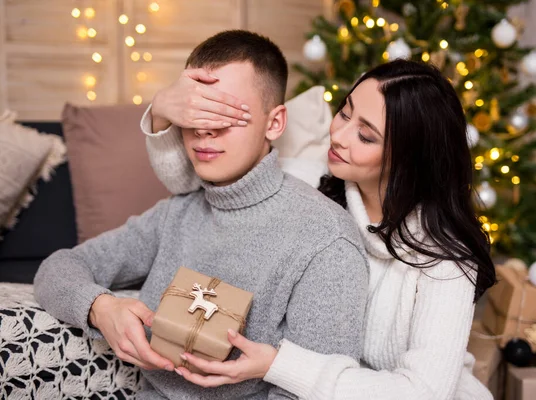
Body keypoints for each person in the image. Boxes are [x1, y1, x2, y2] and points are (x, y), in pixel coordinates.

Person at [33, 30, 369, 400]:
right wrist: (100, 307)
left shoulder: (324, 240)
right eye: (195, 112)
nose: (204, 129)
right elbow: (58, 268)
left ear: (273, 123)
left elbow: (315, 389)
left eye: (224, 112)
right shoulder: (178, 213)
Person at [141, 57, 497, 399]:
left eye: (366, 136)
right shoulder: (310, 184)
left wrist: (278, 365)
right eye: (344, 111)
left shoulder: (447, 263)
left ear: (408, 158)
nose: (339, 135)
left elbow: (423, 393)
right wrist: (161, 113)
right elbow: (196, 185)